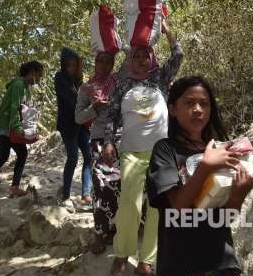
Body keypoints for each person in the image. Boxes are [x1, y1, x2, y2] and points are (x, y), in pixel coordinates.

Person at [146, 76, 253, 276]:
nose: (198, 109)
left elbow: (224, 218)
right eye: (189, 103)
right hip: (181, 264)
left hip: (223, 262)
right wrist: (205, 166)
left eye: (204, 103)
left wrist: (238, 195)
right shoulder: (165, 150)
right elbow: (178, 208)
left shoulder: (221, 149)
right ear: (172, 109)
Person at [105, 19, 184, 275]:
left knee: (157, 207)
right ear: (130, 61)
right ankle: (122, 253)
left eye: (144, 56)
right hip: (131, 154)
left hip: (161, 155)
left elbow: (178, 55)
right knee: (130, 204)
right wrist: (108, 142)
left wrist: (170, 33)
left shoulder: (161, 80)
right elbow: (111, 114)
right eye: (136, 56)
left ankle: (146, 260)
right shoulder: (123, 85)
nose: (140, 60)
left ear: (151, 58)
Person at [75, 52, 123, 254]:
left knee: (119, 185)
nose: (104, 65)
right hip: (98, 141)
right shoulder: (86, 88)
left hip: (122, 138)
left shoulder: (121, 83)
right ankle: (100, 232)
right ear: (94, 63)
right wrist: (94, 107)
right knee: (101, 186)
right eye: (100, 61)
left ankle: (115, 229)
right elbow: (78, 117)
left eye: (109, 61)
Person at [0, 61, 43, 201]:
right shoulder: (19, 85)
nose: (39, 79)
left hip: (12, 127)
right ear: (32, 72)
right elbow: (15, 108)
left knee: (21, 153)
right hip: (6, 127)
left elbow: (24, 112)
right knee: (3, 156)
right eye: (39, 75)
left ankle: (14, 187)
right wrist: (19, 128)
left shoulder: (25, 88)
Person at [55, 47, 92, 204]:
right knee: (72, 157)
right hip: (68, 125)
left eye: (74, 65)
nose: (71, 68)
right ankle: (66, 195)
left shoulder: (80, 81)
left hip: (82, 124)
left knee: (89, 156)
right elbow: (73, 101)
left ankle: (86, 194)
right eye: (68, 65)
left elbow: (84, 100)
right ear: (63, 65)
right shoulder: (59, 77)